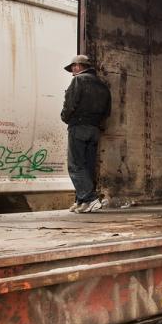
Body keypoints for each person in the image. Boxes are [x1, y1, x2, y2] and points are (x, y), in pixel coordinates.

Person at [61, 54, 111, 213]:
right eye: (72, 67)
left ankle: (90, 198)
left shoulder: (78, 81)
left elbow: (70, 104)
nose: (73, 69)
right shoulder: (103, 85)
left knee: (75, 165)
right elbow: (107, 110)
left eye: (75, 66)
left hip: (79, 126)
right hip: (94, 129)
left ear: (83, 67)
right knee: (88, 165)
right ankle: (81, 201)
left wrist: (65, 117)